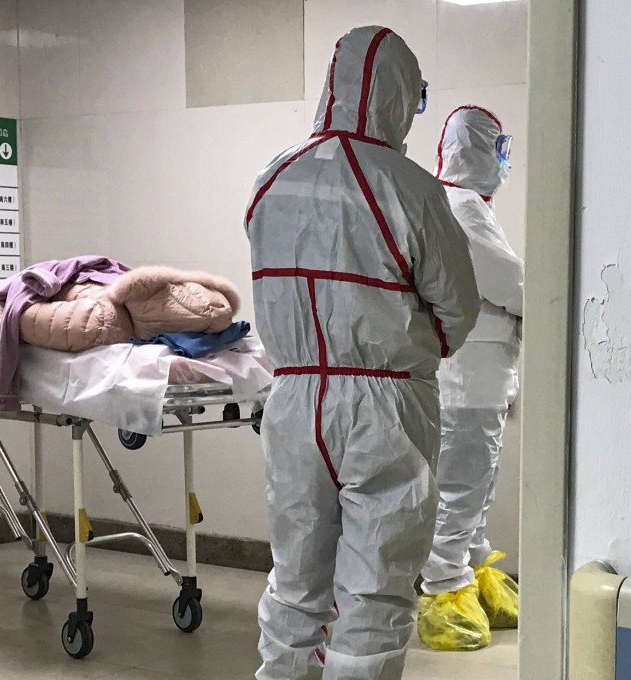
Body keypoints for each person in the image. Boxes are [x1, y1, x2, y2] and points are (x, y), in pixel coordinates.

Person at [244, 26, 480, 680]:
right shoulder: (410, 185)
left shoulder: (272, 178)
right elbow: (456, 310)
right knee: (375, 589)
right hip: (385, 404)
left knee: (295, 580)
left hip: (292, 400)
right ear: (401, 97)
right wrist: (412, 345)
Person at [417, 106, 524, 652]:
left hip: (483, 375)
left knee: (477, 485)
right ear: (477, 149)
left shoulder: (471, 207)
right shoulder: (458, 208)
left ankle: (472, 569)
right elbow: (511, 283)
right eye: (499, 148)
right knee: (461, 488)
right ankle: (443, 592)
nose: (505, 160)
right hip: (466, 377)